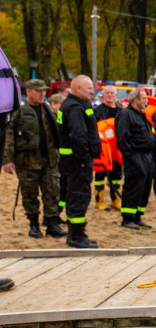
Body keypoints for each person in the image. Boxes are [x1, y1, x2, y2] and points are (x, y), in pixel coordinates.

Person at [2, 78, 66, 239]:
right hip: (27, 161)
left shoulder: (47, 109)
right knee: (30, 195)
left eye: (43, 91)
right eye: (38, 91)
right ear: (28, 92)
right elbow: (9, 136)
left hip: (49, 160)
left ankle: (51, 224)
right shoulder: (19, 110)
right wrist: (7, 160)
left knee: (52, 192)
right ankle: (34, 225)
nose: (42, 94)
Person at [56, 75, 101, 248]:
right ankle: (75, 236)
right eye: (89, 88)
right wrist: (83, 158)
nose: (92, 91)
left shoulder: (81, 104)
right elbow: (78, 135)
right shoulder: (74, 107)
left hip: (76, 160)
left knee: (78, 195)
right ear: (78, 89)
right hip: (77, 161)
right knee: (78, 196)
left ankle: (78, 233)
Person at [115, 89, 154, 229]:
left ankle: (137, 216)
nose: (146, 100)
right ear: (135, 99)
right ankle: (127, 218)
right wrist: (130, 157)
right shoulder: (126, 114)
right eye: (143, 98)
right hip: (135, 156)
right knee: (133, 187)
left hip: (147, 156)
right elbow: (122, 138)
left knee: (145, 188)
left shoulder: (141, 114)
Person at [92, 85, 123, 211]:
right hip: (103, 148)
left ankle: (116, 200)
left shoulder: (121, 112)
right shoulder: (98, 111)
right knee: (100, 175)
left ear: (116, 95)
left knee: (116, 174)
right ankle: (100, 201)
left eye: (112, 93)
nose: (109, 95)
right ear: (103, 95)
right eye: (107, 93)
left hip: (116, 148)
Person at [48, 92, 68, 220]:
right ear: (53, 104)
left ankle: (58, 212)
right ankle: (52, 214)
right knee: (56, 186)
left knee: (64, 186)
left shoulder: (61, 116)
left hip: (62, 157)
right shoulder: (51, 117)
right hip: (54, 157)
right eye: (61, 104)